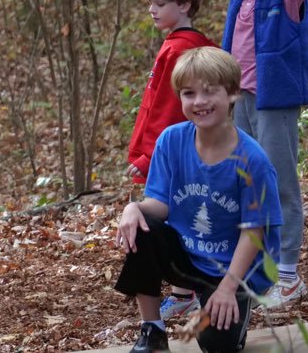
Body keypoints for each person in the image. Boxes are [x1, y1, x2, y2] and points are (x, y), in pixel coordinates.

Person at [113, 47, 282, 353]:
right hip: (188, 256)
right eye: (189, 93)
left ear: (232, 93)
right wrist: (132, 208)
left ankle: (233, 307)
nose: (199, 101)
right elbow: (161, 206)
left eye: (210, 91)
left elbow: (254, 233)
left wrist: (228, 288)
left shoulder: (253, 160)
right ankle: (152, 330)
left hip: (234, 268)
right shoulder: (171, 141)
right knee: (142, 224)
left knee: (216, 344)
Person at [196, 0, 308, 308]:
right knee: (246, 180)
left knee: (279, 182)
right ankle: (256, 267)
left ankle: (289, 274)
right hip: (240, 98)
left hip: (275, 100)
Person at [125, 0, 216, 320]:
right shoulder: (180, 45)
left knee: (178, 213)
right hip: (180, 151)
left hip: (176, 155)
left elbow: (168, 110)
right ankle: (183, 291)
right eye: (151, 2)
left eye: (160, 3)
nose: (152, 9)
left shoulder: (182, 49)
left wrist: (148, 157)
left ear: (185, 4)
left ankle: (184, 290)